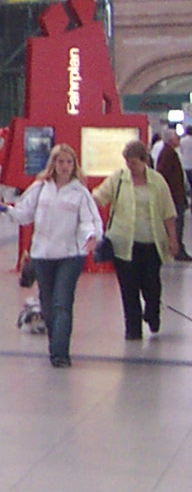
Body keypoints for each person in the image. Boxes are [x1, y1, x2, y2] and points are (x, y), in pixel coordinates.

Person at [0, 143, 101, 367]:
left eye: (69, 162)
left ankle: (60, 354)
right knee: (48, 305)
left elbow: (90, 220)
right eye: (60, 162)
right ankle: (55, 345)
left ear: (74, 165)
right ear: (53, 164)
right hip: (42, 255)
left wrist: (91, 236)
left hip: (70, 255)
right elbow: (24, 213)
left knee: (63, 303)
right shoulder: (40, 188)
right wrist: (6, 209)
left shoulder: (80, 193)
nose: (64, 166)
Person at [92, 139, 181, 339]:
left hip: (152, 243)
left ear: (144, 161)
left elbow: (168, 212)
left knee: (152, 285)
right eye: (127, 162)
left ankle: (153, 312)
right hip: (123, 244)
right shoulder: (118, 179)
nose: (130, 166)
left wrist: (173, 239)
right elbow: (99, 196)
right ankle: (133, 329)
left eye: (133, 162)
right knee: (128, 288)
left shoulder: (157, 182)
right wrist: (83, 198)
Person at [153, 131, 190, 262]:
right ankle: (177, 249)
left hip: (175, 195)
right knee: (177, 223)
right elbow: (162, 173)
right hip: (174, 196)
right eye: (175, 137)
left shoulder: (170, 152)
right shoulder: (168, 154)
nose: (178, 139)